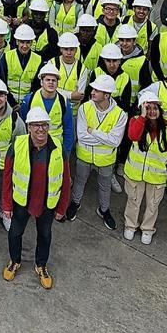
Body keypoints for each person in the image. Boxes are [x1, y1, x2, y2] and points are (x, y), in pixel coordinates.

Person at [1, 106, 69, 289]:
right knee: (15, 233)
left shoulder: (57, 147)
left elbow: (65, 178)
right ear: (29, 127)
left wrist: (62, 208)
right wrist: (6, 204)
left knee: (45, 235)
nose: (41, 129)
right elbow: (7, 176)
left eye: (44, 125)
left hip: (47, 204)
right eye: (36, 125)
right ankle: (15, 261)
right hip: (22, 202)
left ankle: (41, 265)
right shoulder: (17, 145)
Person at [70, 74, 126, 230]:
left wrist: (93, 132)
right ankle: (75, 203)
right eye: (93, 89)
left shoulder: (120, 114)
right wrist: (105, 138)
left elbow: (115, 141)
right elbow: (81, 136)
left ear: (106, 95)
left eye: (97, 90)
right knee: (79, 181)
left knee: (105, 186)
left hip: (106, 160)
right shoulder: (84, 107)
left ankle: (104, 210)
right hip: (84, 156)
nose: (92, 92)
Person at [123, 91, 167, 244]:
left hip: (157, 177)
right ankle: (130, 225)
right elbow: (133, 136)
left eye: (155, 108)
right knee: (133, 201)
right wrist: (142, 116)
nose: (152, 111)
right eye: (148, 108)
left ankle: (147, 228)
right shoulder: (135, 121)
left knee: (152, 205)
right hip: (135, 173)